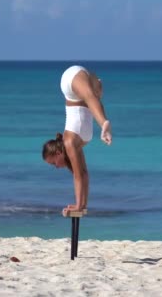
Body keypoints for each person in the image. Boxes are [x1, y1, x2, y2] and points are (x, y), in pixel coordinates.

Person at [42, 65, 112, 217]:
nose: (56, 167)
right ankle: (97, 91)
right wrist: (81, 205)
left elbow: (78, 176)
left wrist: (78, 205)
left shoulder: (69, 142)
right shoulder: (75, 144)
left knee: (89, 96)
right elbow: (83, 173)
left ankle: (104, 123)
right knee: (90, 96)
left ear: (58, 152)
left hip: (70, 81)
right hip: (84, 95)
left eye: (54, 162)